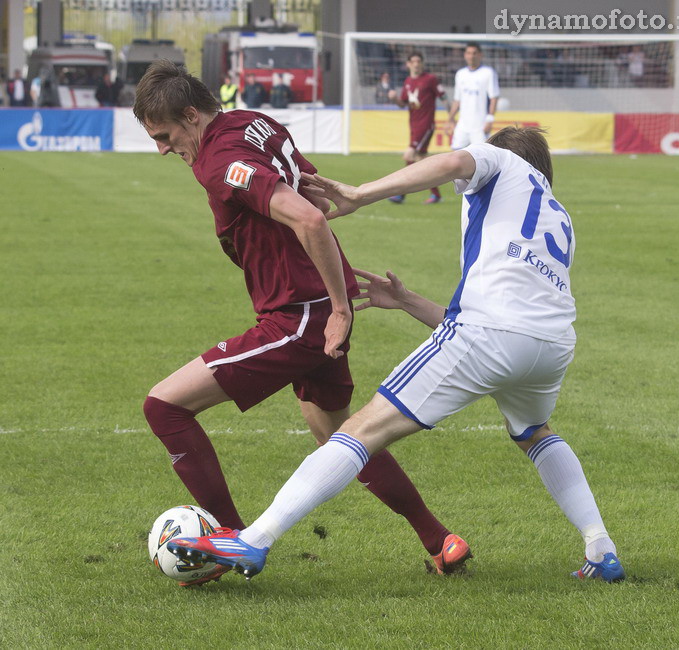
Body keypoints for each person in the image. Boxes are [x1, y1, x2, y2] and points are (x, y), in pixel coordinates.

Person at [169, 126, 626, 586]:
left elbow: (450, 163)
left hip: (490, 333)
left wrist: (361, 193)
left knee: (359, 430)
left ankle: (255, 539)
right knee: (534, 433)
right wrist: (409, 302)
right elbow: (514, 320)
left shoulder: (502, 163)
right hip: (552, 345)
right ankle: (600, 546)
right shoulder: (556, 213)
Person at [133, 60, 470, 586]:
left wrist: (336, 305)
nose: (162, 149)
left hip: (299, 317)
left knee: (164, 406)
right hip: (308, 306)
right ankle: (440, 541)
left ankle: (234, 539)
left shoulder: (221, 159)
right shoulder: (253, 122)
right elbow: (315, 193)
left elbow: (308, 215)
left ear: (191, 115)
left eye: (164, 135)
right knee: (341, 440)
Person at [387, 52, 448, 205]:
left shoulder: (430, 79)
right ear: (408, 64)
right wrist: (395, 99)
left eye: (418, 61)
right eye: (413, 61)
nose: (416, 64)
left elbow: (443, 97)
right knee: (421, 160)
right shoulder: (408, 81)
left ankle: (400, 194)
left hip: (426, 125)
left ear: (422, 63)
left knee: (409, 156)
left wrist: (451, 118)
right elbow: (404, 104)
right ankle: (436, 194)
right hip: (413, 125)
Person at [447, 43, 499, 150]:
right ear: (465, 55)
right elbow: (457, 100)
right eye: (469, 53)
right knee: (456, 156)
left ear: (480, 55)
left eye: (474, 53)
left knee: (482, 158)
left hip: (480, 126)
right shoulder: (460, 74)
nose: (471, 56)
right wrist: (450, 119)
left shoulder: (488, 72)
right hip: (463, 125)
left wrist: (490, 119)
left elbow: (494, 97)